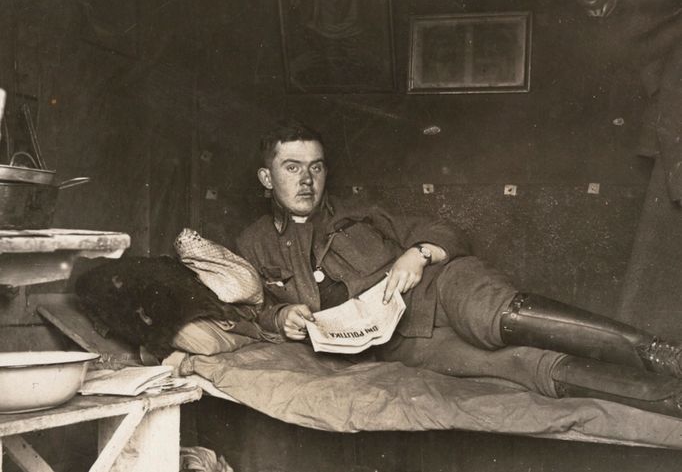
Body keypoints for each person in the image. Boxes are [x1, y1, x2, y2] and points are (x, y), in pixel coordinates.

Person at [236, 119, 682, 418]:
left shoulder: (359, 211)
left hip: (440, 289)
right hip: (403, 345)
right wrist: (280, 316)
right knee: (525, 367)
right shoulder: (252, 244)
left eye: (315, 167)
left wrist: (419, 253)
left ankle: (664, 354)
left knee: (499, 315)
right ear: (266, 178)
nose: (307, 180)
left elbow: (440, 230)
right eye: (292, 167)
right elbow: (250, 309)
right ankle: (673, 399)